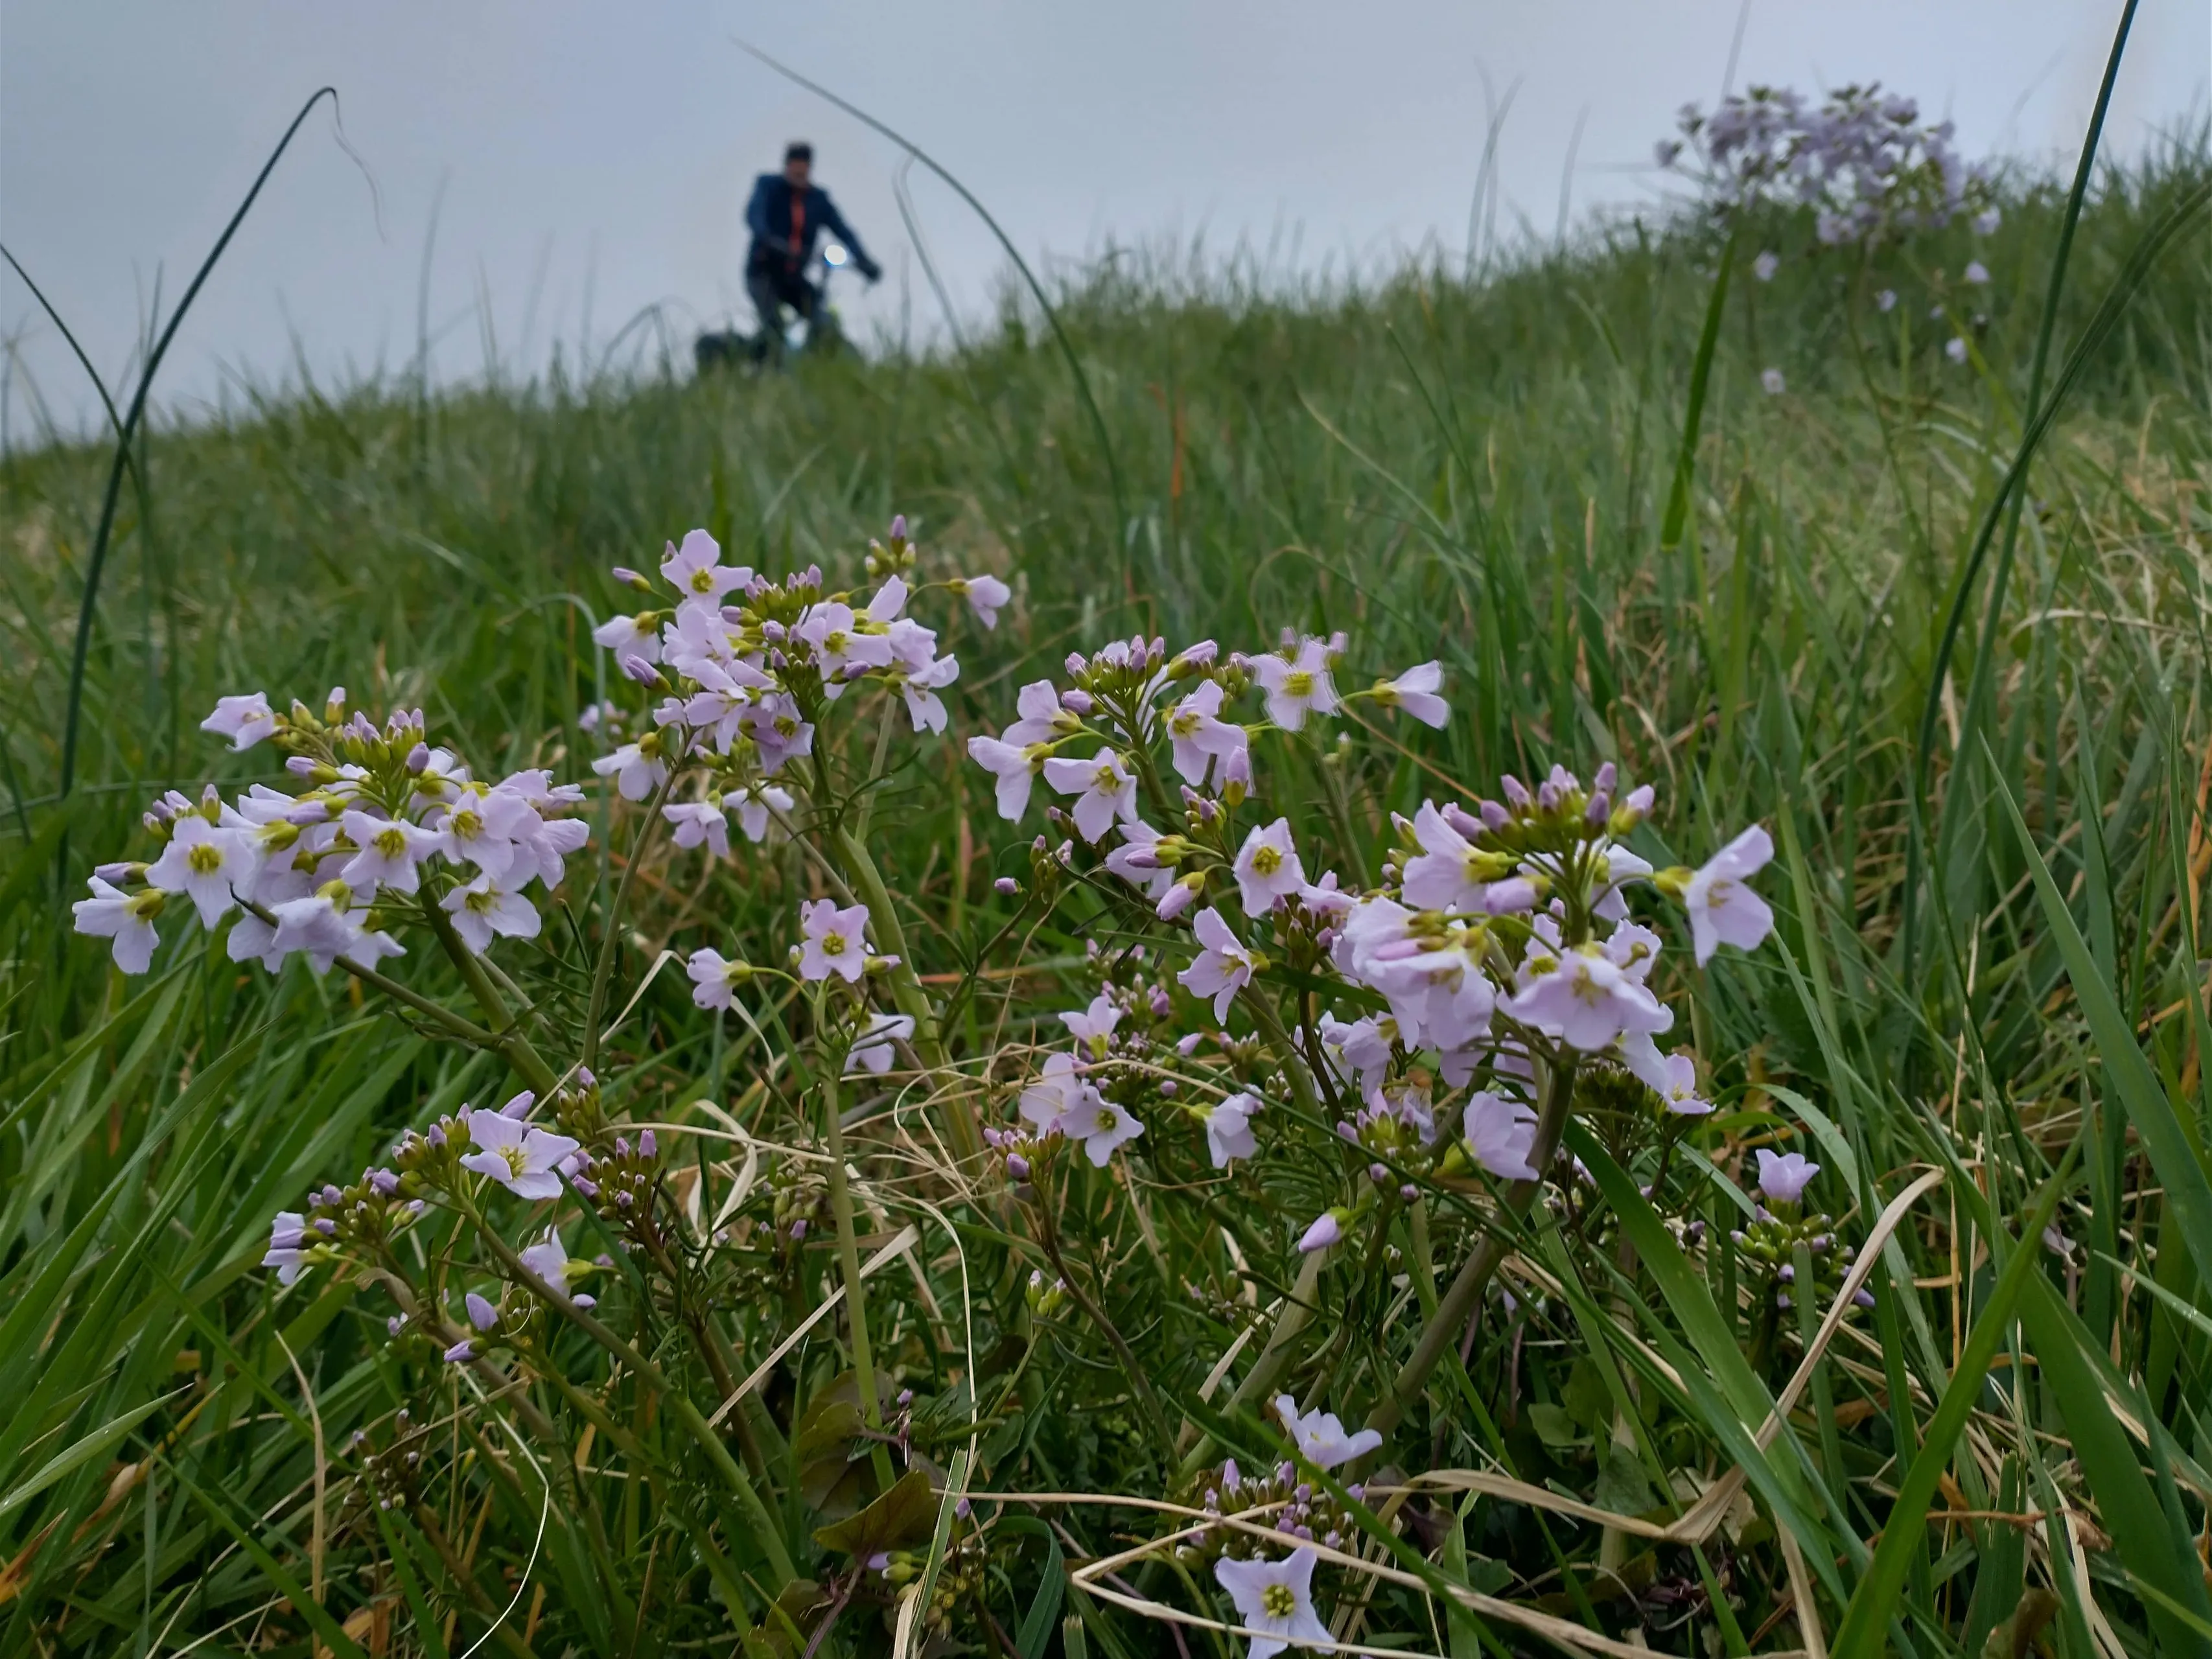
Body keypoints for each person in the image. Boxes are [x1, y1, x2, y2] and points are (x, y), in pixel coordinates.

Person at [745, 142, 881, 353]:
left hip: (794, 276)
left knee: (823, 319)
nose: (799, 171)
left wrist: (864, 260)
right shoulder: (768, 187)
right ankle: (755, 363)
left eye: (804, 166)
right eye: (794, 165)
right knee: (774, 326)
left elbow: (843, 230)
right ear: (787, 166)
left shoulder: (818, 200)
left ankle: (826, 360)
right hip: (764, 273)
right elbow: (754, 215)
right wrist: (770, 240)